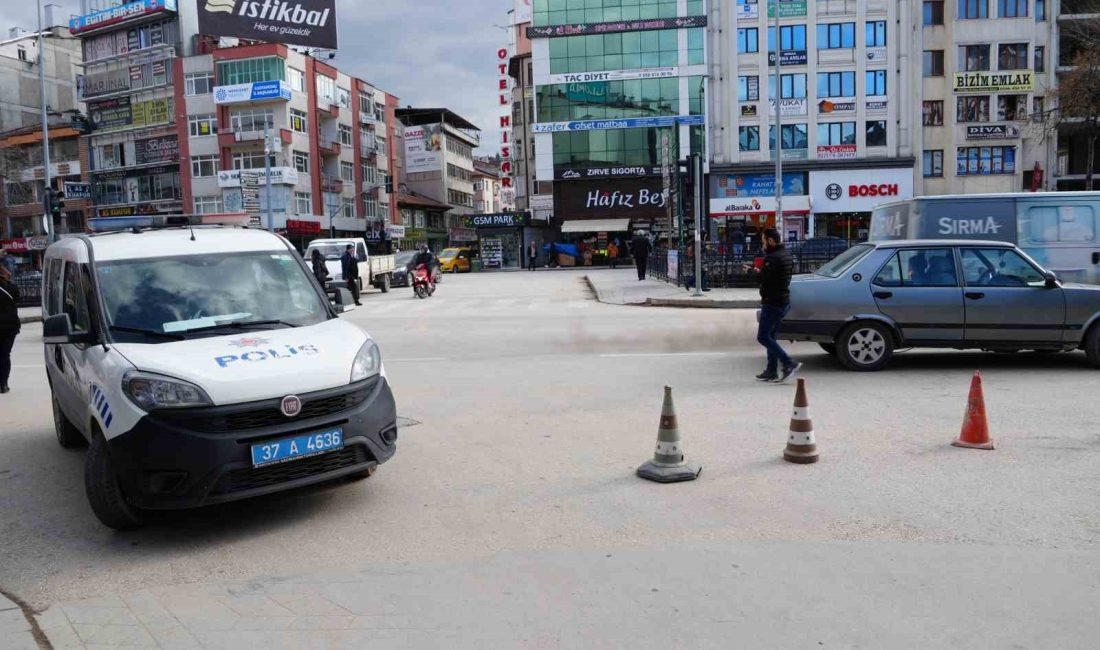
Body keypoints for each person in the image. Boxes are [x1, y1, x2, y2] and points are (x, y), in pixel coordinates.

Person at [745, 228, 800, 383]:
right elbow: (772, 276)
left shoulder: (773, 258)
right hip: (783, 301)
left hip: (772, 303)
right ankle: (771, 370)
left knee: (763, 337)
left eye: (763, 241)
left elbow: (761, 278)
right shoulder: (786, 255)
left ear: (770, 241)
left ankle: (789, 363)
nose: (762, 245)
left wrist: (751, 272)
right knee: (771, 337)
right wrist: (759, 271)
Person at [0, 266, 20, 394]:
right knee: (5, 355)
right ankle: (4, 383)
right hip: (10, 327)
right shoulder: (13, 288)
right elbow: (17, 301)